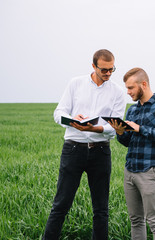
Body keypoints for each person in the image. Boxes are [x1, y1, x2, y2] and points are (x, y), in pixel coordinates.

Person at [43, 49, 127, 240]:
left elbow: (115, 127)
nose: (108, 74)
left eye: (111, 70)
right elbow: (58, 113)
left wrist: (94, 129)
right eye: (104, 70)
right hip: (73, 149)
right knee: (61, 204)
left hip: (101, 151)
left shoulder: (118, 92)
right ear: (93, 66)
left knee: (101, 208)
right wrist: (73, 119)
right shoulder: (75, 83)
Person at [108, 68, 155, 240]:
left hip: (151, 171)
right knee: (136, 220)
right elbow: (127, 142)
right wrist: (120, 132)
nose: (128, 92)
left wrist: (140, 128)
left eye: (131, 88)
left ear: (143, 84)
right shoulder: (132, 110)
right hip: (130, 171)